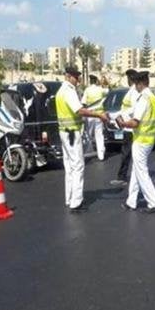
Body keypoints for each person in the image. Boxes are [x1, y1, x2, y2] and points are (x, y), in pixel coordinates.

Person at [56, 66, 109, 213]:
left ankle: (70, 198)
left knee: (69, 167)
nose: (78, 80)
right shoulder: (69, 91)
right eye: (76, 77)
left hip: (64, 132)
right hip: (72, 133)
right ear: (68, 76)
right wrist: (99, 115)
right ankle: (76, 203)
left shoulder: (60, 91)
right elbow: (79, 110)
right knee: (78, 165)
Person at [116, 71, 155, 213]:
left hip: (141, 140)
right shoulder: (153, 97)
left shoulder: (144, 99)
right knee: (136, 171)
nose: (135, 86)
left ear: (141, 83)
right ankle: (131, 201)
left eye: (136, 83)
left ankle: (154, 203)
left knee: (142, 173)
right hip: (149, 139)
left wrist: (123, 124)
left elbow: (135, 122)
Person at [110, 69, 138, 186]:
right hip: (126, 126)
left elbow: (134, 110)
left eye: (128, 78)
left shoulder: (135, 92)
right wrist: (117, 116)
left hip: (130, 128)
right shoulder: (131, 91)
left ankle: (122, 177)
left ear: (130, 79)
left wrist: (118, 116)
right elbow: (125, 109)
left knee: (127, 153)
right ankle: (127, 176)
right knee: (127, 153)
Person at [82, 74, 108, 161]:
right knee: (99, 135)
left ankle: (88, 152)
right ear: (96, 81)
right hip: (100, 115)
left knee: (89, 134)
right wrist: (103, 82)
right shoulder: (100, 89)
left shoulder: (87, 90)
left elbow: (84, 103)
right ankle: (101, 155)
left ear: (90, 81)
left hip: (90, 115)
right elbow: (108, 90)